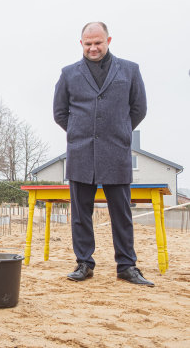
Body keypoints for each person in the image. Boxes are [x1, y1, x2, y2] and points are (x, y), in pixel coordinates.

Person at [53, 22, 154, 286]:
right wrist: (79, 131)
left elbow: (139, 108)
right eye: (88, 43)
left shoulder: (130, 71)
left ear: (108, 40)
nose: (93, 48)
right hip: (80, 152)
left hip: (116, 152)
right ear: (81, 43)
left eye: (98, 42)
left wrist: (119, 130)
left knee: (121, 213)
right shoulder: (68, 74)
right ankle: (84, 263)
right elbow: (59, 112)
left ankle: (126, 265)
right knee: (80, 214)